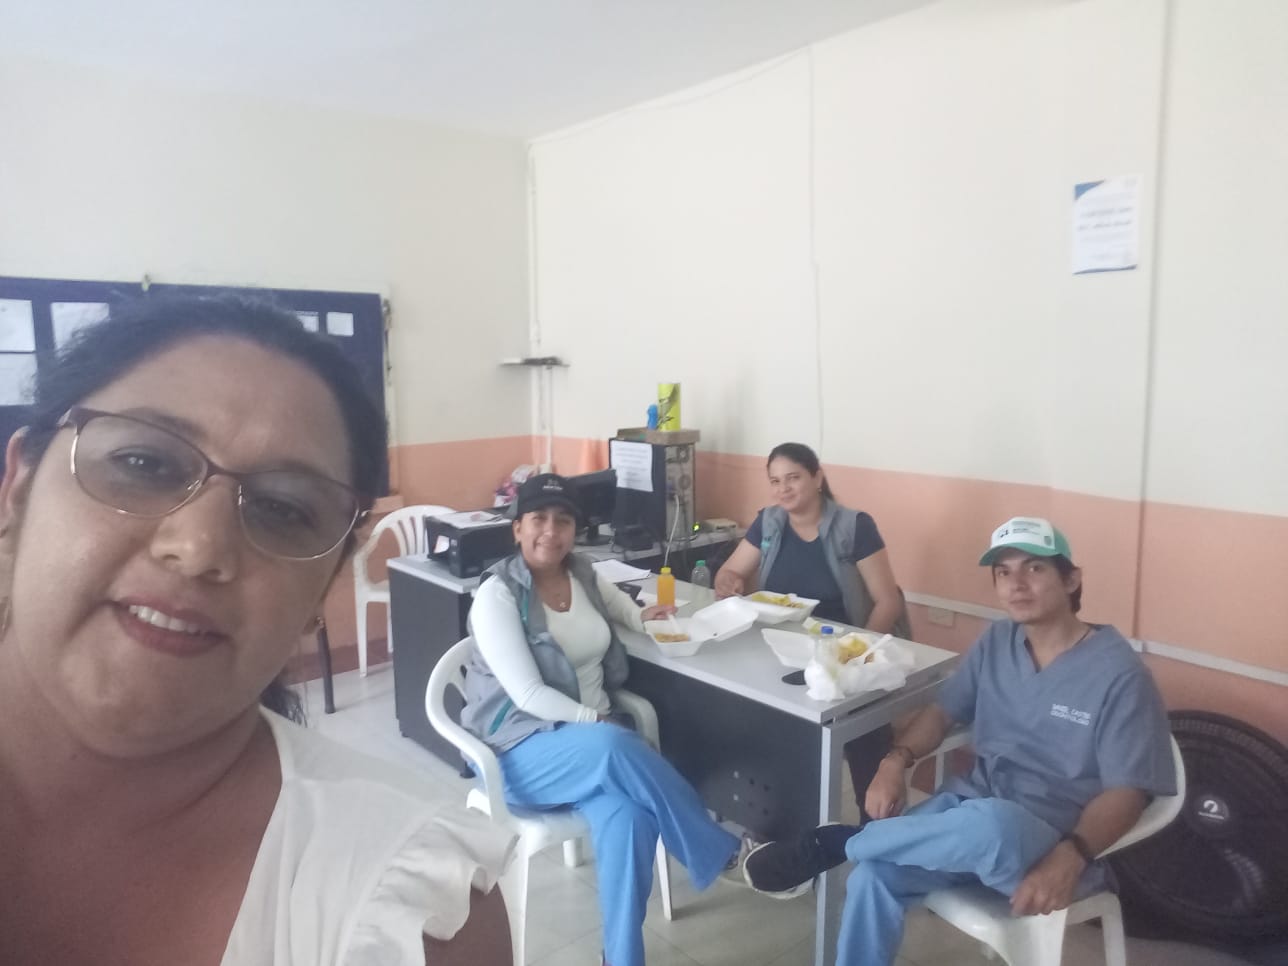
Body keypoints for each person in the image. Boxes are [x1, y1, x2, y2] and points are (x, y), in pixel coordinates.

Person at [0, 295, 513, 966]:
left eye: (282, 508)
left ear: (322, 589)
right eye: (145, 463)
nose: (199, 548)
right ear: (17, 488)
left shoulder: (415, 912)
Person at [742, 517, 1177, 966]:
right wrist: (895, 760)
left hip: (1046, 837)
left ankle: (838, 843)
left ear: (1071, 580)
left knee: (991, 826)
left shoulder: (1118, 674)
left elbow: (1129, 791)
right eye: (1004, 572)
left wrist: (1073, 854)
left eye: (1034, 568)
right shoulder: (999, 641)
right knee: (873, 874)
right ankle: (858, 847)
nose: (1016, 584)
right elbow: (943, 711)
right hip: (967, 817)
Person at [461, 473, 749, 966]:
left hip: (589, 751)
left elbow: (624, 609)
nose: (550, 531)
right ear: (517, 528)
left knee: (631, 819)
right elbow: (528, 694)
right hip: (519, 751)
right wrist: (593, 719)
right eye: (538, 519)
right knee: (616, 744)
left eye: (563, 520)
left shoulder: (584, 574)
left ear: (575, 530)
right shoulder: (498, 594)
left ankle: (621, 957)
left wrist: (644, 618)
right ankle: (720, 852)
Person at [714, 442, 910, 815]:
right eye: (775, 481)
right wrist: (728, 580)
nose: (783, 489)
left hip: (847, 658)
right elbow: (732, 570)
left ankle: (877, 827)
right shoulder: (769, 523)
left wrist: (857, 656)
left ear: (817, 478)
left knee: (865, 747)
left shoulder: (853, 527)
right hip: (783, 655)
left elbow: (888, 601)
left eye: (793, 478)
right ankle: (787, 825)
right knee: (773, 739)